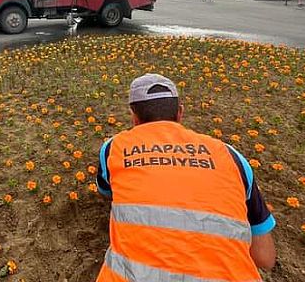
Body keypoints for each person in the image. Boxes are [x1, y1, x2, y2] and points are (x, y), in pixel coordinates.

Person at [96, 74, 276, 282]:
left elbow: (105, 192)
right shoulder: (230, 156)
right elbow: (265, 258)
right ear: (180, 113)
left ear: (133, 116)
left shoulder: (114, 148)